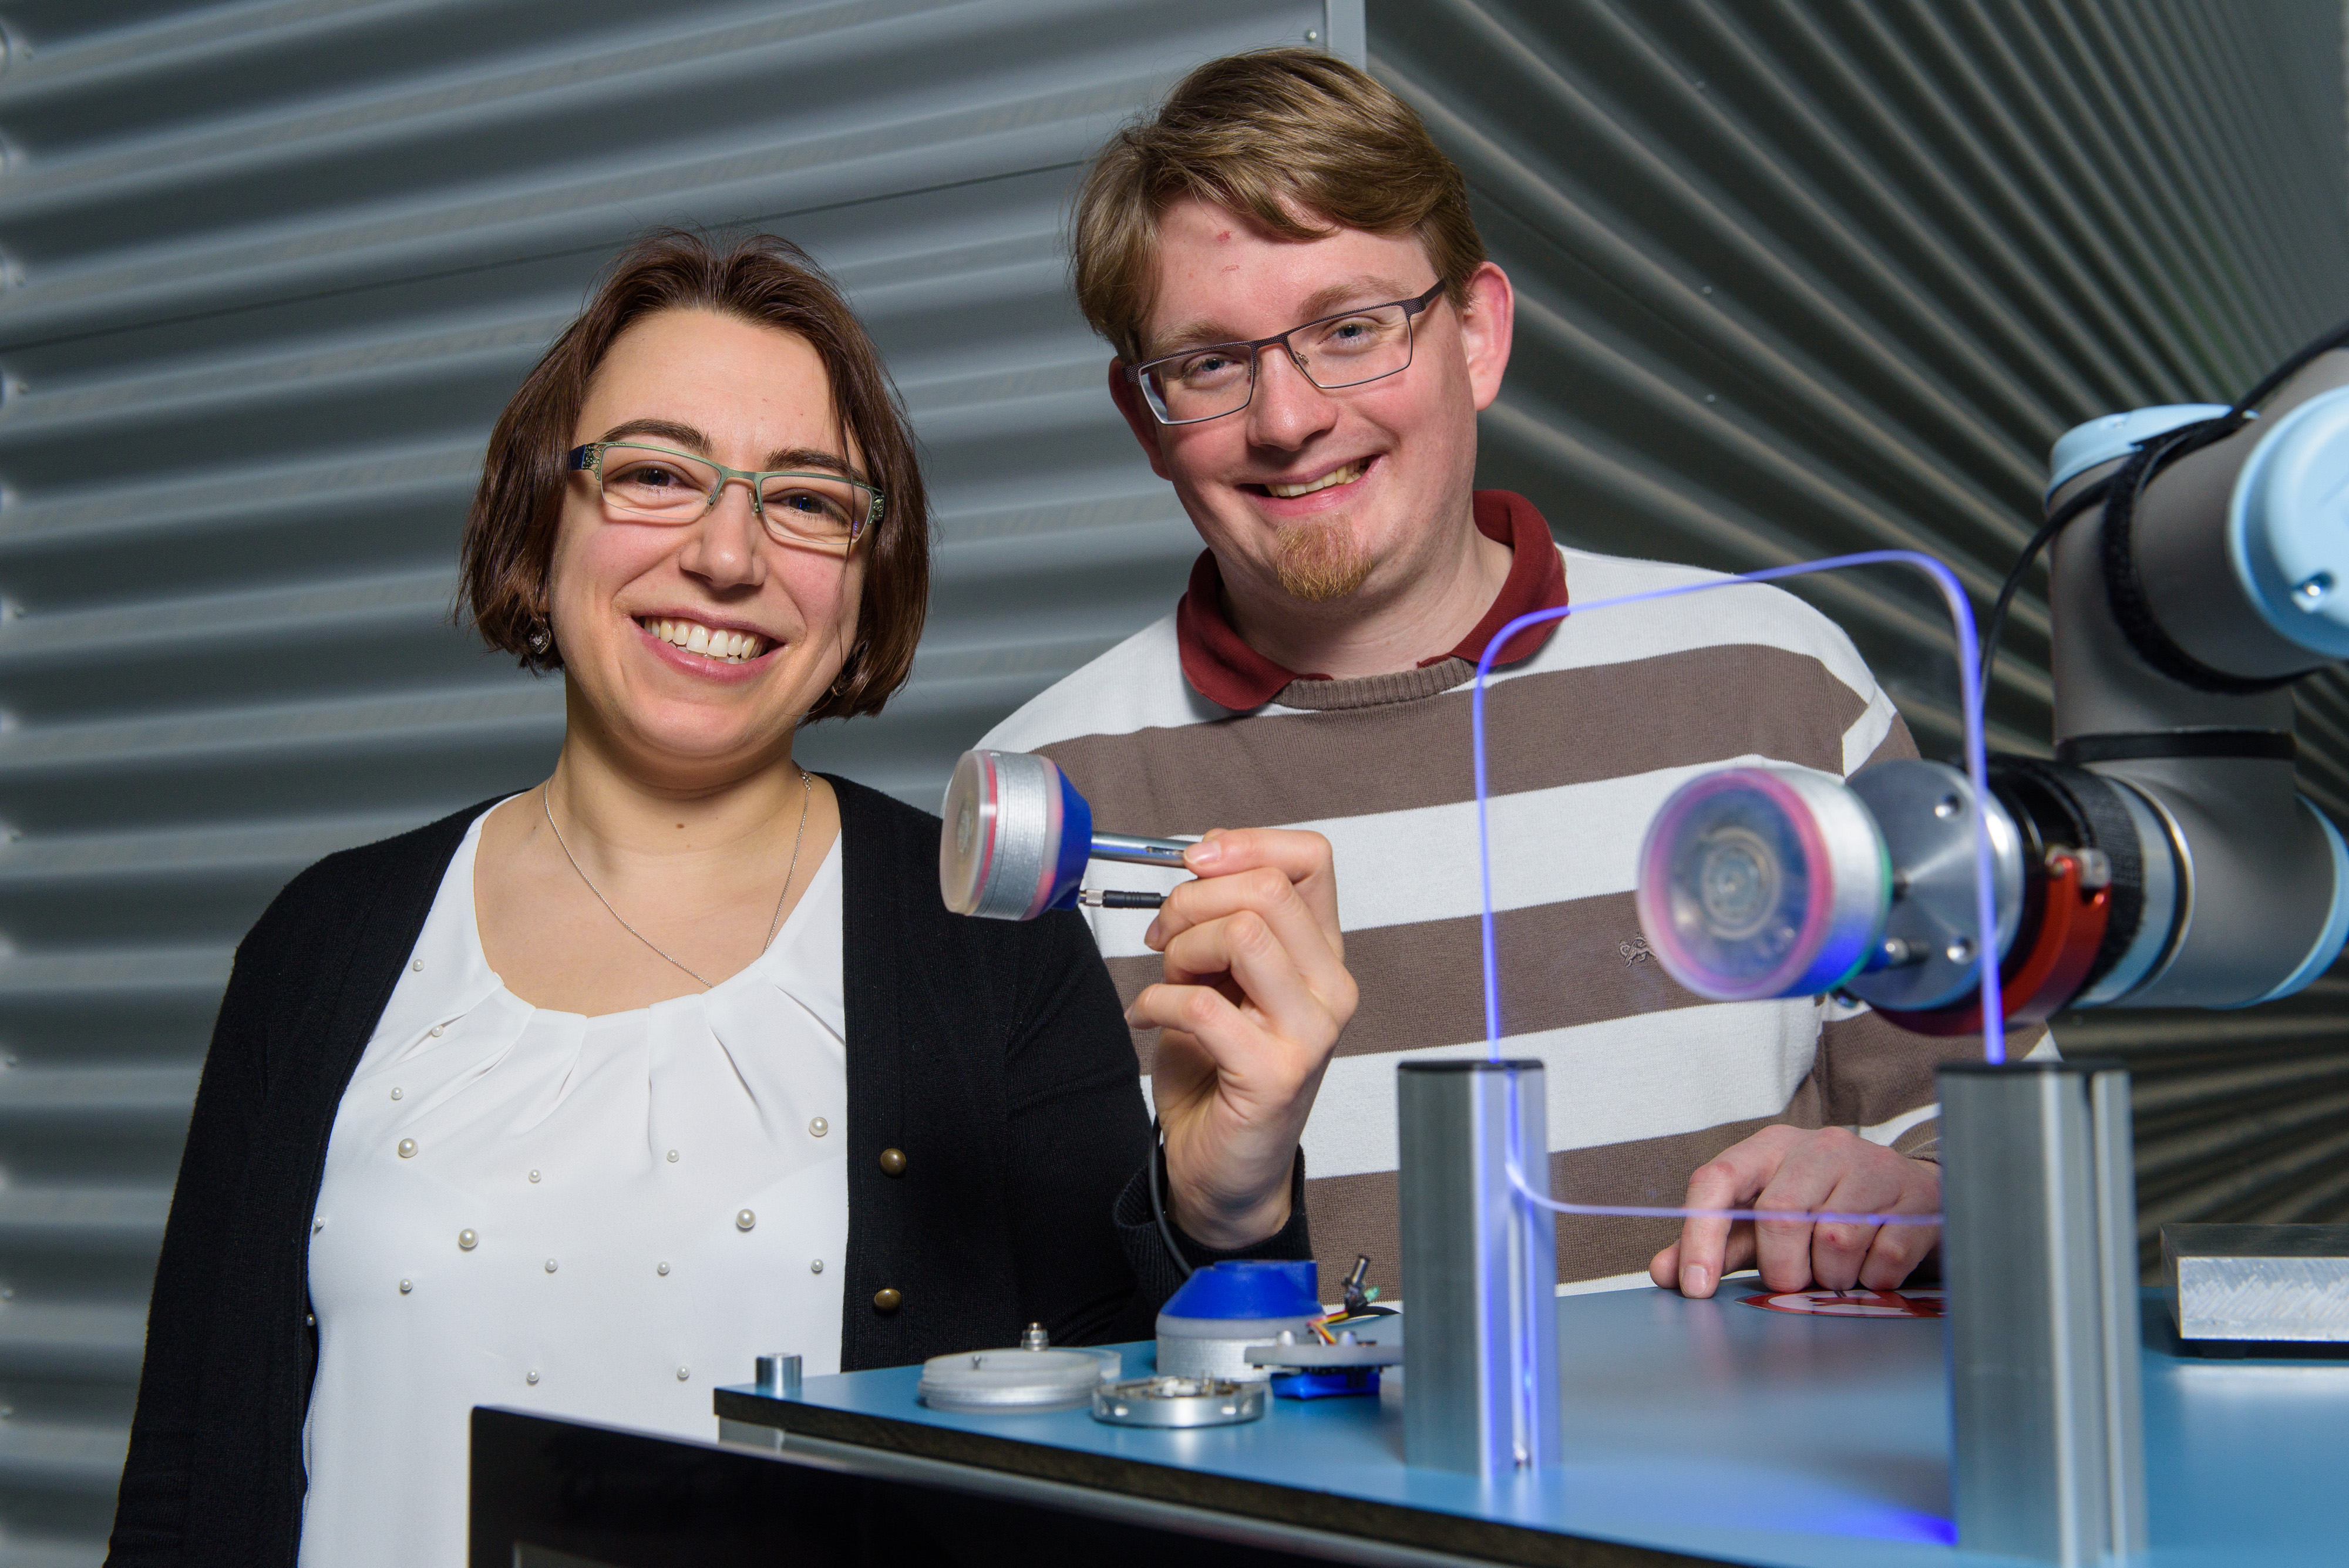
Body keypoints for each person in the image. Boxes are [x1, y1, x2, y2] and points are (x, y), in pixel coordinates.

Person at [106, 231, 1354, 1568]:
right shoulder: (318, 945)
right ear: (541, 516)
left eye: (806, 499)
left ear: (865, 575)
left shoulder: (994, 957)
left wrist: (1222, 1218)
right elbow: (185, 1485)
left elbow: (1130, 1489)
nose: (724, 553)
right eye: (655, 473)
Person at [980, 49, 2040, 1306]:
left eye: (1350, 330)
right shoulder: (1041, 807)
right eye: (1210, 363)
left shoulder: (1778, 683)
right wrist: (1206, 1214)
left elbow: (2021, 1174)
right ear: (1143, 418)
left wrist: (1915, 1196)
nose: (1288, 419)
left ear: (1477, 335)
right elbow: (1028, 1319)